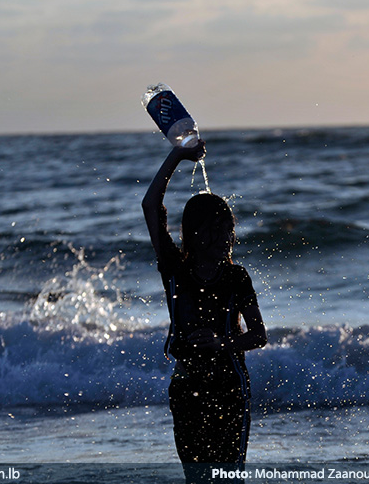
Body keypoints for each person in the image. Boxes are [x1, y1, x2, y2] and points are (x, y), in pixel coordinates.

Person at [142, 140, 267, 483]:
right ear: (193, 234)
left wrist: (221, 343)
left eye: (226, 227)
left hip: (229, 387)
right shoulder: (174, 270)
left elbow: (259, 335)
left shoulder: (235, 277)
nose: (222, 235)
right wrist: (178, 155)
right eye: (212, 229)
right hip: (186, 388)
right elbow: (151, 205)